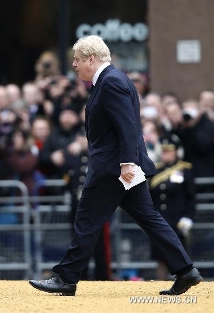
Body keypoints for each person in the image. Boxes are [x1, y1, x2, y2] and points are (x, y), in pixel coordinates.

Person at [28, 35, 202, 296]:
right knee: (149, 218)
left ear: (91, 58)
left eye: (76, 60)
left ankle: (66, 277)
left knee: (86, 220)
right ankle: (186, 270)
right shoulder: (111, 80)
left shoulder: (110, 82)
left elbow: (127, 127)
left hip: (113, 169)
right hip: (118, 167)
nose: (74, 65)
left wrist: (127, 163)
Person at [149, 136, 196, 280]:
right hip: (160, 221)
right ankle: (161, 286)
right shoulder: (155, 170)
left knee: (180, 256)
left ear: (176, 151)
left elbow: (191, 198)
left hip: (177, 221)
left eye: (169, 151)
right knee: (161, 258)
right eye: (164, 151)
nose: (166, 154)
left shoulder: (185, 170)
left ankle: (183, 283)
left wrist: (188, 217)